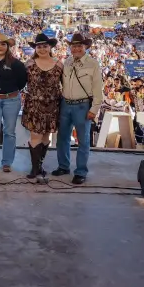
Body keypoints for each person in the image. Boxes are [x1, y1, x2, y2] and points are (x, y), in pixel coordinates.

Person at [52, 33, 104, 184]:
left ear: (85, 47)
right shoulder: (67, 61)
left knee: (83, 141)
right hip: (65, 103)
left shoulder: (93, 64)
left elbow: (98, 89)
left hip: (83, 106)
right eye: (73, 46)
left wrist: (94, 109)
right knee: (62, 139)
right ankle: (63, 166)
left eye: (79, 46)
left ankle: (81, 171)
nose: (76, 49)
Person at [0, 32, 27, 172]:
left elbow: (22, 82)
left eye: (3, 44)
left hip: (12, 100)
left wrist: (10, 91)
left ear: (8, 46)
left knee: (9, 131)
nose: (0, 46)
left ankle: (7, 162)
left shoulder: (16, 64)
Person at [21, 33, 62, 179]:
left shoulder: (59, 65)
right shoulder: (28, 64)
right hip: (34, 106)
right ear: (35, 48)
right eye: (39, 46)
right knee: (35, 136)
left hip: (53, 106)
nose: (42, 49)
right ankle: (35, 168)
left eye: (45, 46)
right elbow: (19, 82)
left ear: (50, 47)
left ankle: (40, 165)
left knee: (46, 136)